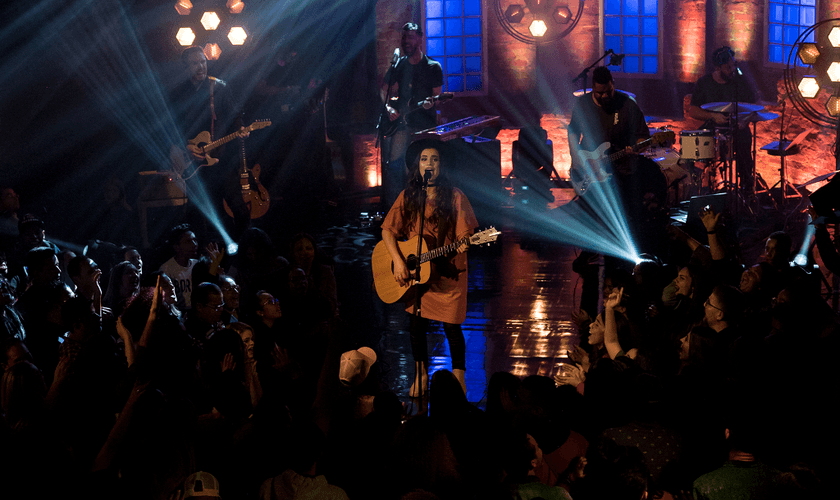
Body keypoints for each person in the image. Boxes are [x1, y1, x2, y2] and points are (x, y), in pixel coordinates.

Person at [381, 138, 477, 397]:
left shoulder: (456, 196)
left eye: (434, 159)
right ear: (417, 165)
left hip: (448, 273)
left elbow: (464, 236)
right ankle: (421, 373)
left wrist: (465, 244)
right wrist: (400, 261)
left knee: (452, 328)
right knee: (415, 325)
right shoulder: (409, 196)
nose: (429, 164)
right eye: (424, 159)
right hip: (416, 275)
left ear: (441, 165)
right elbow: (387, 231)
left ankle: (459, 378)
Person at [566, 66, 666, 257]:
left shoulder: (627, 105)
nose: (605, 96)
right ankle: (590, 254)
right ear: (593, 89)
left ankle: (622, 255)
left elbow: (641, 138)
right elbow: (572, 132)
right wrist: (576, 158)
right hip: (591, 169)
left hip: (622, 169)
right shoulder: (583, 105)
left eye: (608, 91)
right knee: (591, 215)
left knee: (626, 213)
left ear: (613, 85)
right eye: (599, 93)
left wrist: (635, 147)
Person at [169, 45, 250, 240]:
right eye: (195, 63)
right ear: (186, 67)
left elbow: (235, 115)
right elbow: (172, 127)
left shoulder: (219, 87)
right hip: (195, 166)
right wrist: (185, 147)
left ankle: (245, 250)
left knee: (240, 208)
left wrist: (241, 129)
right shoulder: (178, 93)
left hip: (221, 161)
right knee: (199, 218)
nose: (200, 67)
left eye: (203, 62)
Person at [379, 22, 444, 210]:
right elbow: (383, 91)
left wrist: (431, 102)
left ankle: (420, 209)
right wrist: (389, 109)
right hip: (401, 125)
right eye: (404, 37)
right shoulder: (399, 65)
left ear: (419, 39)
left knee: (415, 169)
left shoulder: (433, 67)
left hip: (423, 126)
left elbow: (438, 98)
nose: (406, 40)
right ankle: (395, 209)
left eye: (410, 37)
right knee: (393, 165)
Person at [689, 46, 758, 194]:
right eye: (728, 67)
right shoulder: (704, 83)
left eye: (734, 65)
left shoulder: (740, 82)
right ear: (718, 68)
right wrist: (713, 116)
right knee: (690, 147)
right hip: (713, 126)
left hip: (736, 128)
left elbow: (754, 107)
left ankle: (746, 189)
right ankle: (695, 189)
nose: (732, 69)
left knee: (744, 142)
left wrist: (744, 120)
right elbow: (693, 110)